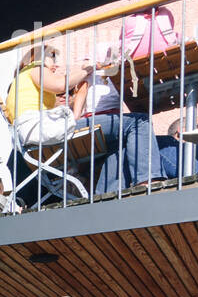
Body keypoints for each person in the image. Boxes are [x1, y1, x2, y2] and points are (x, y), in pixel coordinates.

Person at [72, 44, 167, 193]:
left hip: (113, 122)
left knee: (122, 146)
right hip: (95, 118)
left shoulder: (118, 76)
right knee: (140, 122)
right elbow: (82, 92)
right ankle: (147, 178)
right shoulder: (91, 73)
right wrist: (75, 120)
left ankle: (108, 193)